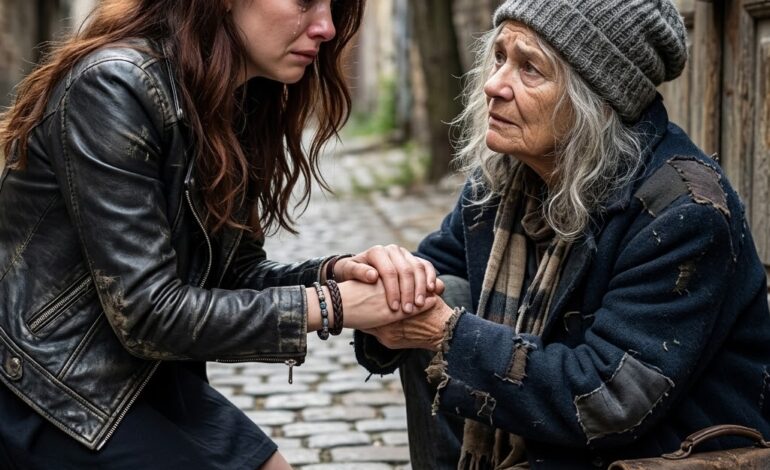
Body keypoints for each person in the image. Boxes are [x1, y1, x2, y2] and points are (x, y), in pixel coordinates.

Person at [0, 0, 442, 468]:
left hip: (142, 374)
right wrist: (334, 305)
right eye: (306, 2)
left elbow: (231, 273)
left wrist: (338, 275)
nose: (327, 28)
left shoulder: (227, 96)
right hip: (45, 384)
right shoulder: (114, 84)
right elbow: (148, 313)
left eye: (333, 7)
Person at [355, 0, 770, 468]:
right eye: (499, 56)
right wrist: (385, 280)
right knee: (430, 293)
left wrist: (444, 332)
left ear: (598, 97)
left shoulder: (684, 211)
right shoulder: (503, 181)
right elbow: (435, 275)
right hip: (559, 448)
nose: (494, 85)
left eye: (529, 68)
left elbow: (608, 402)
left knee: (444, 328)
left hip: (655, 455)